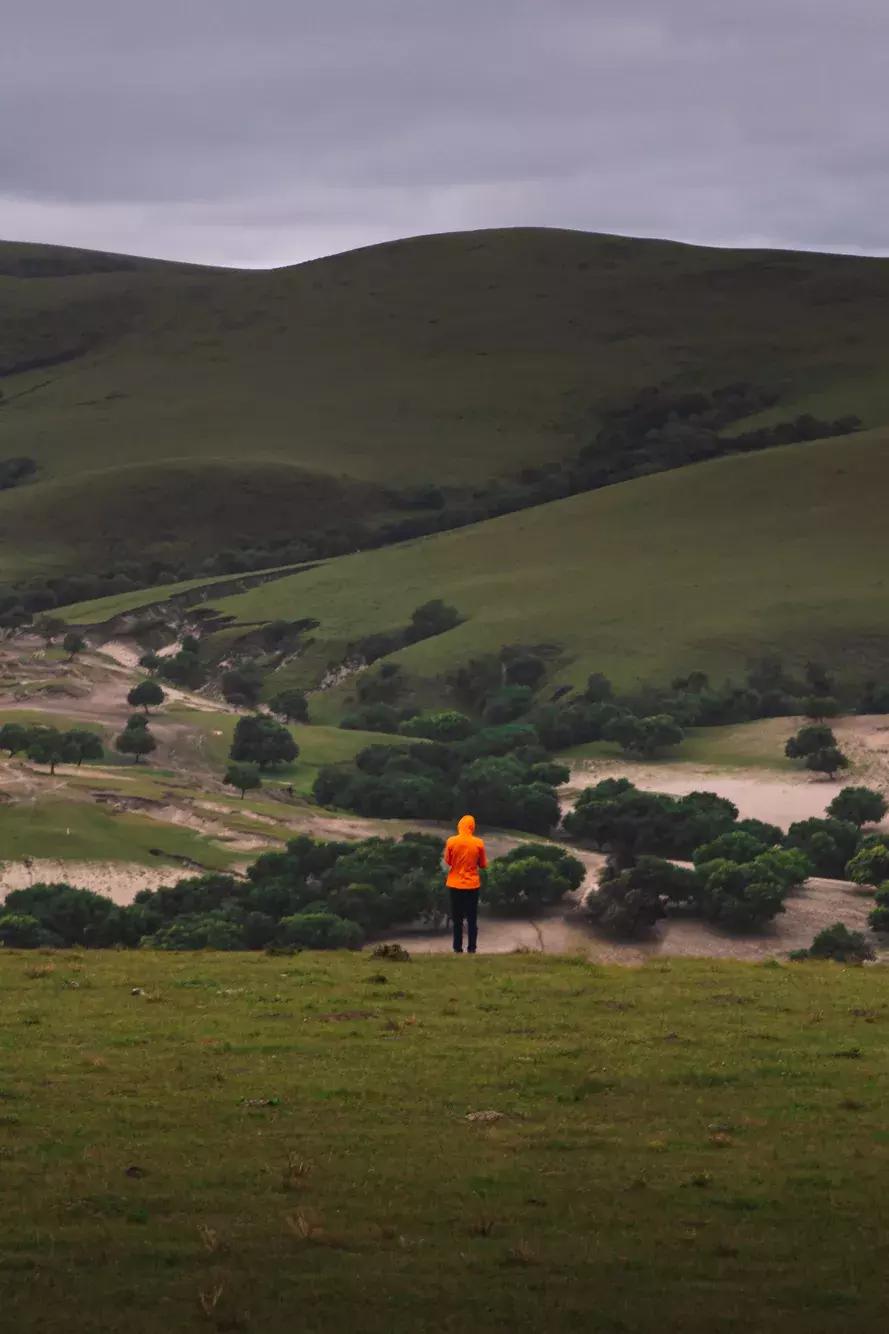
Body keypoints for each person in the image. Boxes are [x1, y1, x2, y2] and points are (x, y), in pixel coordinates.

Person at [444, 814, 487, 954]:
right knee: (472, 919)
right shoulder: (479, 843)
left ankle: (457, 948)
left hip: (454, 884)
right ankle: (472, 948)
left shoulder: (451, 841)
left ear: (459, 826)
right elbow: (483, 864)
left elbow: (448, 861)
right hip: (472, 885)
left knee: (457, 919)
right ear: (472, 827)